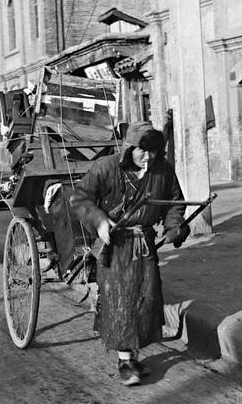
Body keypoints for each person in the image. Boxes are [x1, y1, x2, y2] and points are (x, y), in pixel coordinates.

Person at [71, 121, 191, 386]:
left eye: (153, 151)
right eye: (141, 150)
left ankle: (133, 355)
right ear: (129, 148)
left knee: (146, 299)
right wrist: (100, 221)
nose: (147, 157)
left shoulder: (163, 171)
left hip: (144, 245)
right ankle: (125, 360)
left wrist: (174, 226)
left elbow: (174, 202)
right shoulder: (106, 167)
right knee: (121, 300)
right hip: (115, 246)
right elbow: (80, 198)